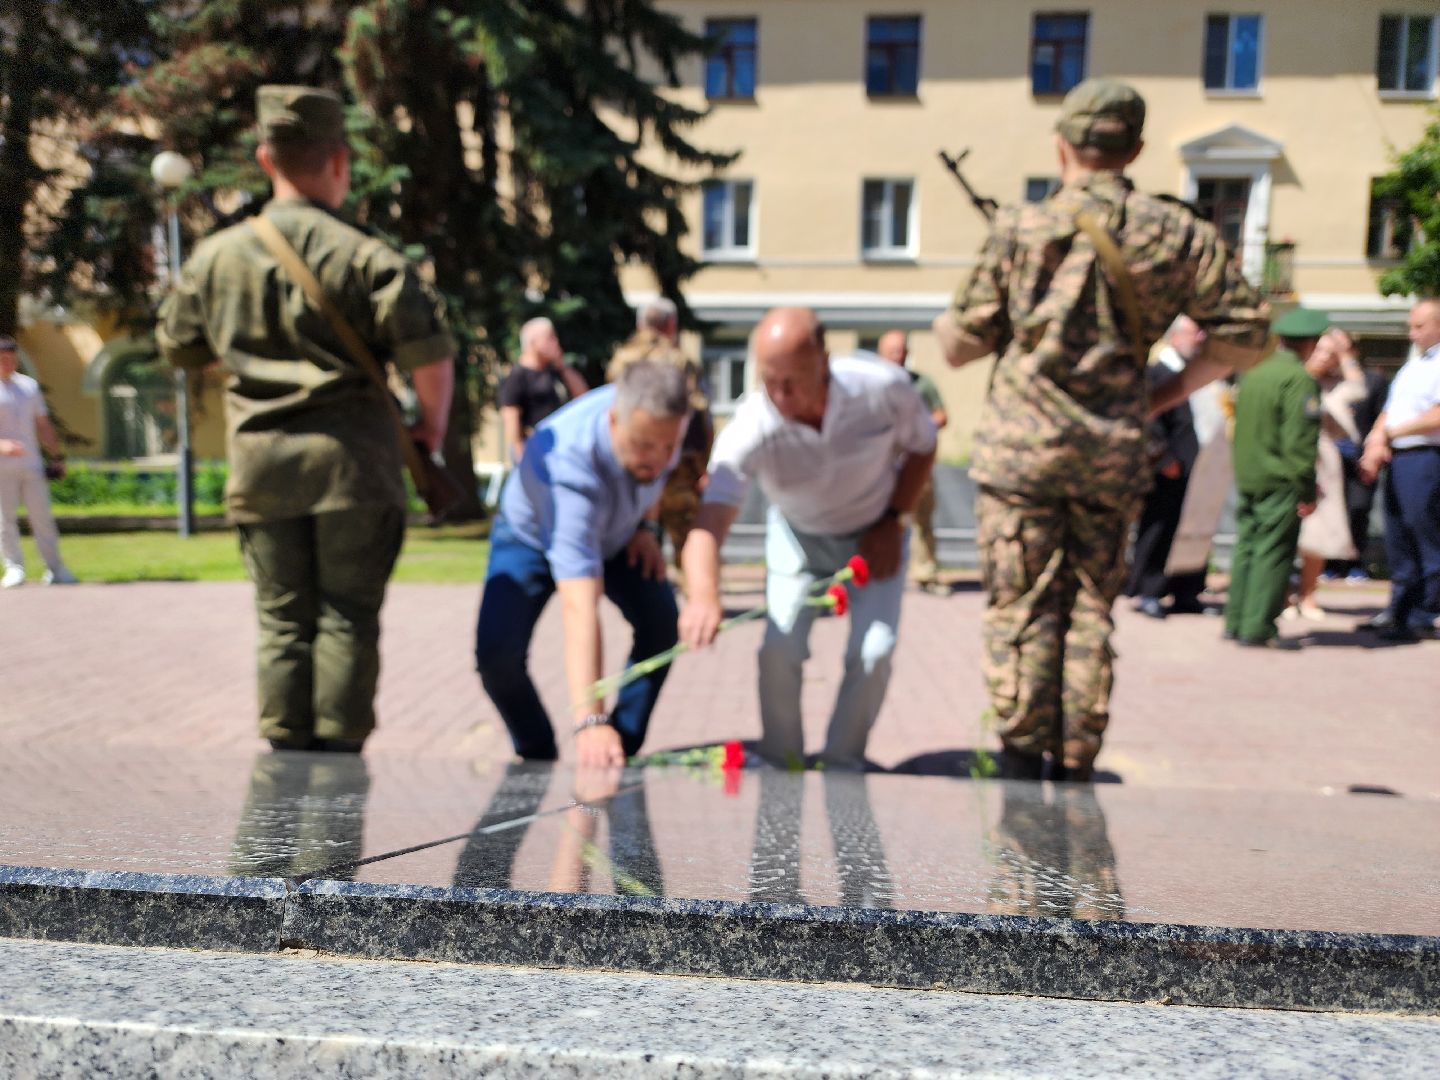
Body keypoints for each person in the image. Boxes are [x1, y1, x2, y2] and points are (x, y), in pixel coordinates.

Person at [933, 78, 1269, 781]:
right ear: (1136, 148)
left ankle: (1023, 758)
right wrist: (1164, 390)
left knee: (1021, 609)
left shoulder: (1020, 228)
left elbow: (959, 346)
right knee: (1090, 606)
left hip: (1022, 456)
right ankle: (1079, 756)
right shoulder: (1176, 232)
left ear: (1062, 145)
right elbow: (1247, 334)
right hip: (1111, 453)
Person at [157, 85, 456, 753]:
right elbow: (431, 360)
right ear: (340, 163)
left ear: (267, 158)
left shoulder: (215, 257)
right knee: (348, 617)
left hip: (261, 463)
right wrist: (429, 429)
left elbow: (178, 347)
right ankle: (338, 775)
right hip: (354, 465)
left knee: (282, 621)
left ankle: (283, 768)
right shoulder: (368, 256)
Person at [678, 307, 938, 770]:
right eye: (768, 380)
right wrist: (702, 594)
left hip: (874, 534)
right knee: (779, 649)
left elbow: (923, 443)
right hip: (797, 538)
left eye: (792, 381)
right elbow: (709, 523)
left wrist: (895, 518)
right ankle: (783, 759)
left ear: (823, 361)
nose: (779, 395)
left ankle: (842, 763)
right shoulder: (752, 425)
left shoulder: (881, 388)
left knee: (874, 651)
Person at [474, 361, 690, 768]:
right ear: (613, 421)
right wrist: (588, 719)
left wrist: (646, 525)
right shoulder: (567, 465)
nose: (660, 460)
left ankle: (618, 746)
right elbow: (579, 606)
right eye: (645, 446)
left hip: (621, 531)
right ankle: (537, 752)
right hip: (531, 535)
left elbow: (659, 475)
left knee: (662, 624)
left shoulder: (659, 423)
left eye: (668, 446)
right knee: (496, 654)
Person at [1223, 307, 1324, 650]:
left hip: (1249, 474)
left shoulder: (1254, 373)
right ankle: (1258, 626)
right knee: (1273, 553)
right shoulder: (1299, 379)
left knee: (1247, 548)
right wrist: (1307, 488)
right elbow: (1300, 442)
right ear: (1311, 344)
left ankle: (1235, 620)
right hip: (1280, 478)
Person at [1357, 298, 1440, 643]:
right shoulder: (1413, 366)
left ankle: (1423, 612)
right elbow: (1391, 410)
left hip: (1427, 455)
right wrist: (1375, 441)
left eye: (1419, 326)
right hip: (1401, 456)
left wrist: (1389, 434)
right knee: (1398, 535)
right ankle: (1399, 609)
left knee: (1424, 533)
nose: (1412, 333)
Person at [607, 298, 712, 571]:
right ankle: (693, 604)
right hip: (678, 467)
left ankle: (648, 601)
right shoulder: (680, 361)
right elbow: (699, 414)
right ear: (672, 325)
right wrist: (704, 466)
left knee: (633, 547)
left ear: (641, 324)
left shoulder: (621, 360)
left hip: (630, 468)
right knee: (687, 543)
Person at [1284, 330, 1366, 621]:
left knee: (1318, 534)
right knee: (1286, 531)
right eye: (1319, 350)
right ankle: (1282, 596)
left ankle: (1308, 595)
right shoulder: (1291, 378)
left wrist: (1346, 355)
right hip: (1292, 460)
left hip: (1324, 464)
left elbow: (1359, 390)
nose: (1323, 357)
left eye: (1330, 354)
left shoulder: (1334, 386)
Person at [875, 330, 950, 595]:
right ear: (880, 354)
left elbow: (942, 416)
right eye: (893, 350)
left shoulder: (920, 384)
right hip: (877, 467)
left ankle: (926, 574)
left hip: (914, 465)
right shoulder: (870, 384)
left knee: (922, 520)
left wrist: (918, 428)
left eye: (903, 349)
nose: (900, 354)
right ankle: (871, 573)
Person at [0, 336, 77, 588]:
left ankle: (55, 569)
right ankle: (14, 568)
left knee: (42, 517)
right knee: (5, 519)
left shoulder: (29, 387)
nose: (8, 362)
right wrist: (3, 445)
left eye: (11, 357)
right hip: (3, 468)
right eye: (3, 358)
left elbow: (43, 425)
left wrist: (56, 456)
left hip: (31, 465)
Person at [498, 317, 588, 466]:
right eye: (550, 338)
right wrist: (521, 456)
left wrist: (561, 365)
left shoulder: (555, 372)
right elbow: (511, 416)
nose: (556, 343)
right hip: (535, 449)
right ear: (533, 342)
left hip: (561, 448)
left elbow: (583, 396)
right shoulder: (517, 377)